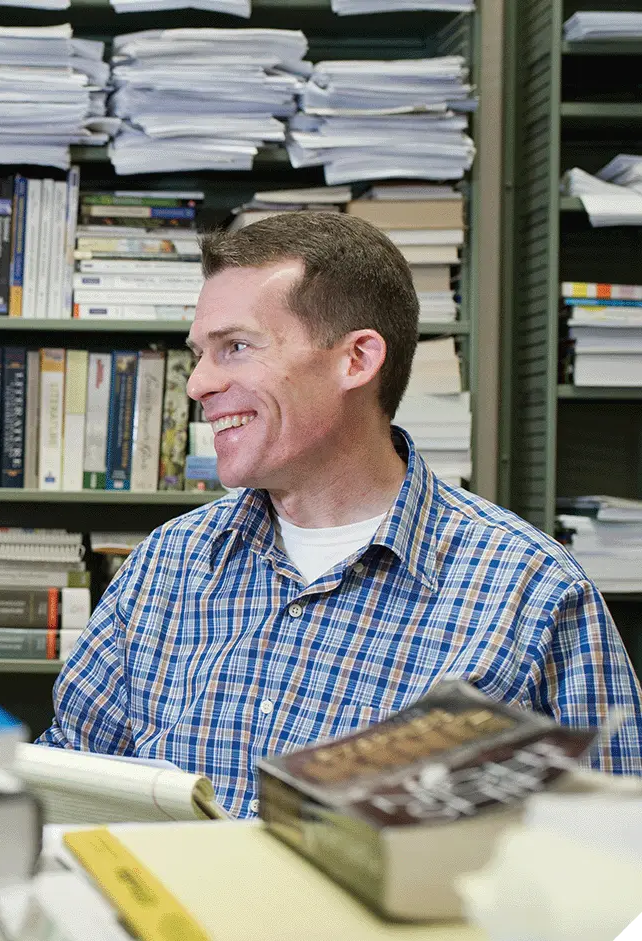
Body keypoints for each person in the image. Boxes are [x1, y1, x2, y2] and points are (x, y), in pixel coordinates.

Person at [38, 211, 642, 818]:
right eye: (200, 354)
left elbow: (608, 858)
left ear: (356, 360)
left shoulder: (533, 594)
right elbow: (66, 785)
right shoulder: (170, 562)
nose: (197, 383)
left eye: (236, 347)